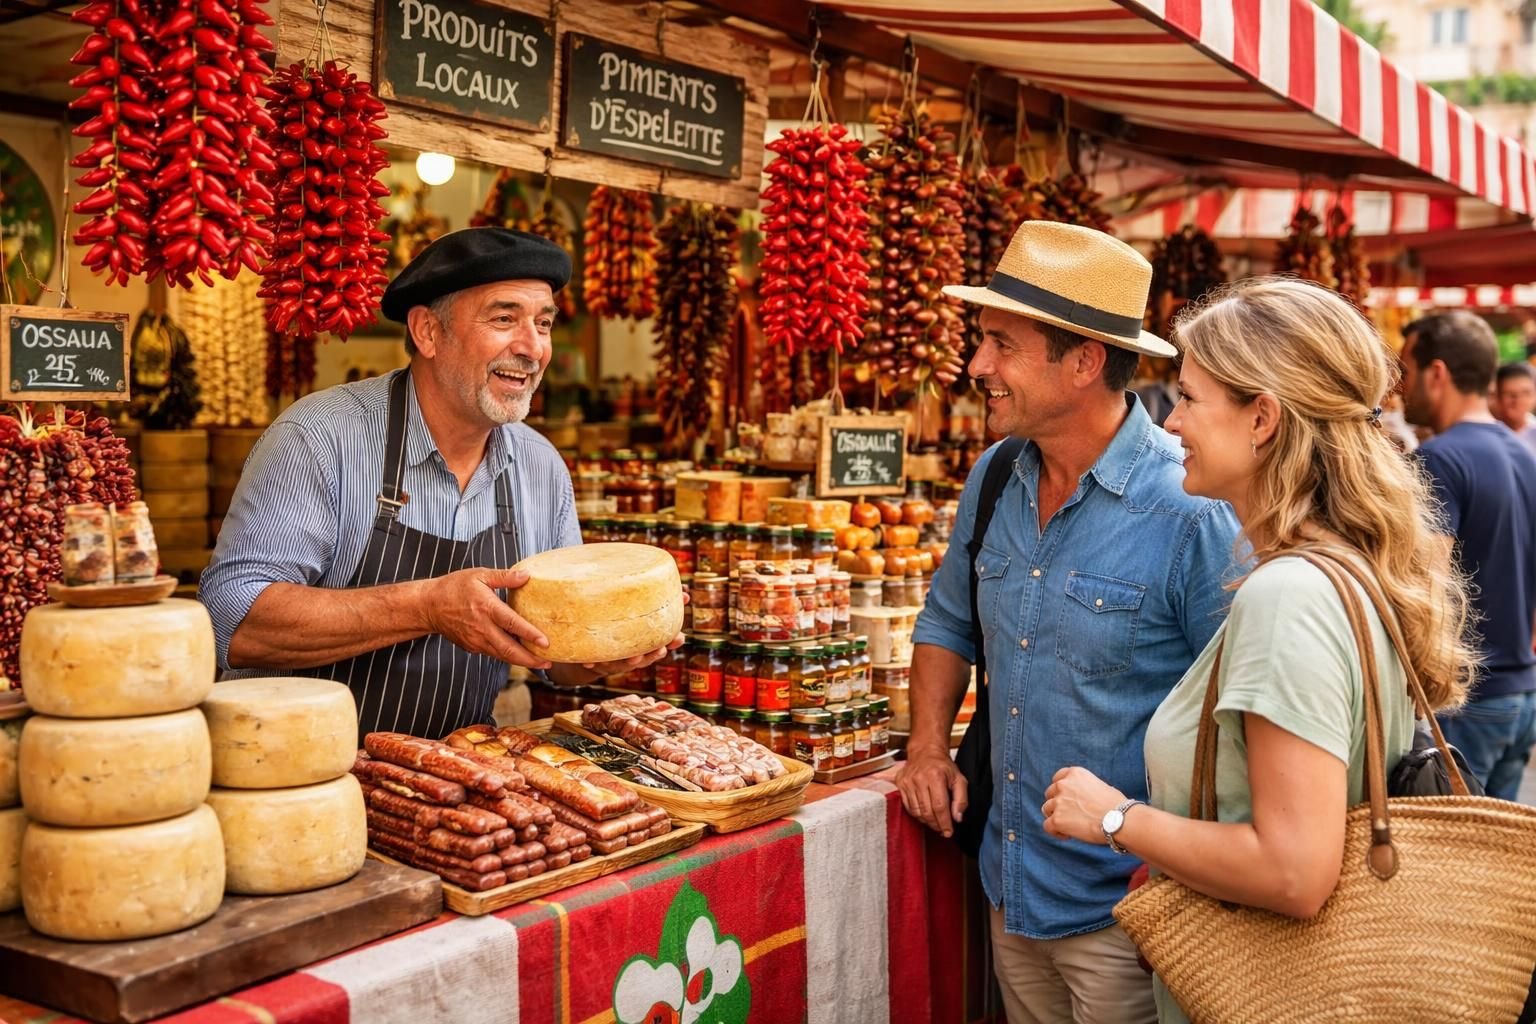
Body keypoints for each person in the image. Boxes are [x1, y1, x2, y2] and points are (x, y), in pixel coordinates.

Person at [1041, 277, 1475, 1024]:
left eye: (1189, 397)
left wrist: (1115, 820)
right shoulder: (1341, 569)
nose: (1171, 421)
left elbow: (1295, 870)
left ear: (1262, 418)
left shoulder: (1290, 597)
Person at [896, 220, 1241, 1024]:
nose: (977, 366)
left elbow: (1235, 724)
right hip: (1009, 883)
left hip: (1126, 913)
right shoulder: (994, 475)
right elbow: (947, 622)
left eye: (1001, 345)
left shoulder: (1191, 511)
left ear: (1085, 362)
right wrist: (923, 749)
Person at [201, 228, 676, 740]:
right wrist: (428, 607)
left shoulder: (540, 466)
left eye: (543, 323)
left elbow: (551, 657)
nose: (532, 347)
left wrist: (604, 651)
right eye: (504, 319)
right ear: (427, 332)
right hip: (293, 772)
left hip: (452, 785)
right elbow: (233, 618)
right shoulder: (320, 438)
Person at [1401, 312, 1536, 800]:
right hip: (1520, 693)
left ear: (1437, 374)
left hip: (1467, 700)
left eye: (1406, 371)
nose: (1400, 388)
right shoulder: (1524, 453)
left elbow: (1426, 586)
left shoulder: (1439, 459)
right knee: (1497, 862)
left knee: (1451, 857)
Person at [1493, 361, 1536, 457]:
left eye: (1526, 393)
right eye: (1511, 395)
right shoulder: (1488, 433)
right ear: (1497, 396)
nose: (1518, 401)